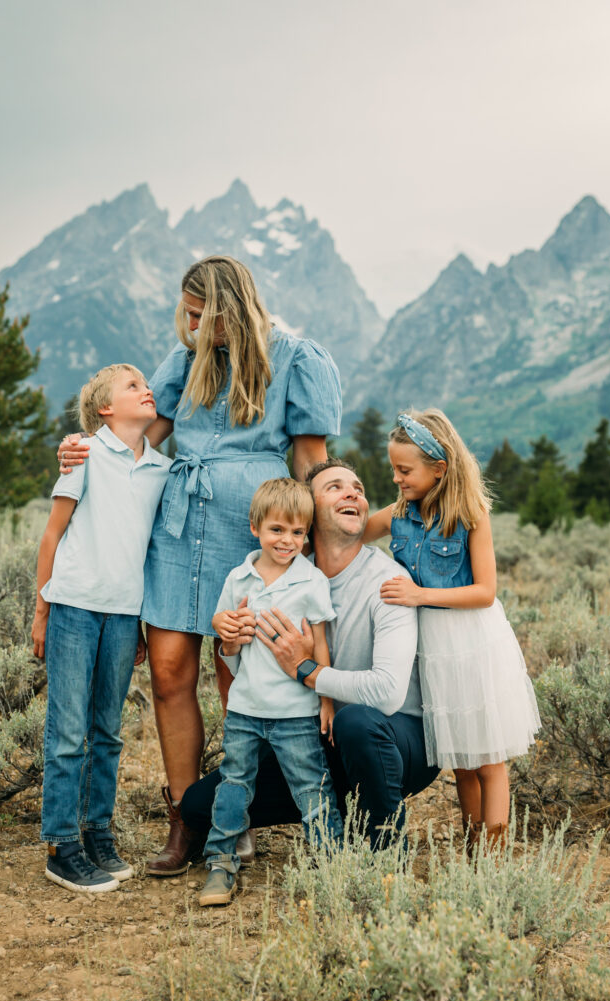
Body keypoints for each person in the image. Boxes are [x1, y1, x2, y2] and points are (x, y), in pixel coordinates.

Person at [57, 256, 342, 874]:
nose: (187, 324)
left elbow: (311, 461)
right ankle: (186, 817)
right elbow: (137, 436)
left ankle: (234, 817)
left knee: (240, 675)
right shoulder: (185, 362)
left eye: (197, 313)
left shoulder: (294, 358)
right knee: (167, 671)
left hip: (253, 533)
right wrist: (80, 450)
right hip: (177, 530)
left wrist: (321, 548)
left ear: (227, 309)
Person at [180, 458, 440, 855]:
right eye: (335, 487)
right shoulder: (287, 576)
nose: (353, 492)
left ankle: (386, 851)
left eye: (358, 487)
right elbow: (256, 661)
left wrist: (309, 670)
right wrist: (231, 643)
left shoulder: (388, 582)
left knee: (357, 722)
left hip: (396, 738)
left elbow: (387, 694)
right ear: (309, 513)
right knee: (198, 806)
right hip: (316, 736)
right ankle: (338, 815)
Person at [364, 409, 541, 851]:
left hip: (474, 643)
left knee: (489, 759)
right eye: (393, 469)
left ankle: (493, 856)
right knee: (461, 760)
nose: (396, 479)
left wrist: (419, 596)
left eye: (405, 470)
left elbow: (484, 591)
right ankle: (471, 842)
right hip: (435, 650)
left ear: (438, 469)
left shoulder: (470, 515)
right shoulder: (398, 514)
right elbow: (349, 535)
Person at [32, 364, 171, 892]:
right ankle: (61, 844)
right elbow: (52, 535)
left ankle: (97, 832)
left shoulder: (159, 467)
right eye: (132, 385)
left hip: (122, 614)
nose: (146, 389)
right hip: (72, 606)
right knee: (68, 732)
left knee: (107, 732)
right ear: (105, 409)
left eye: (146, 383)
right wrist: (42, 608)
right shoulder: (85, 453)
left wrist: (137, 624)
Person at [200, 477, 342, 906]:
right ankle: (220, 862)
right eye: (277, 530)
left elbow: (319, 644)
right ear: (255, 527)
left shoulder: (311, 581)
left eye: (298, 532)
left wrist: (326, 698)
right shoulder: (238, 578)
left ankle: (333, 862)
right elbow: (225, 637)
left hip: (295, 710)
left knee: (311, 789)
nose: (288, 540)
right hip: (245, 707)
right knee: (234, 784)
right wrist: (222, 632)